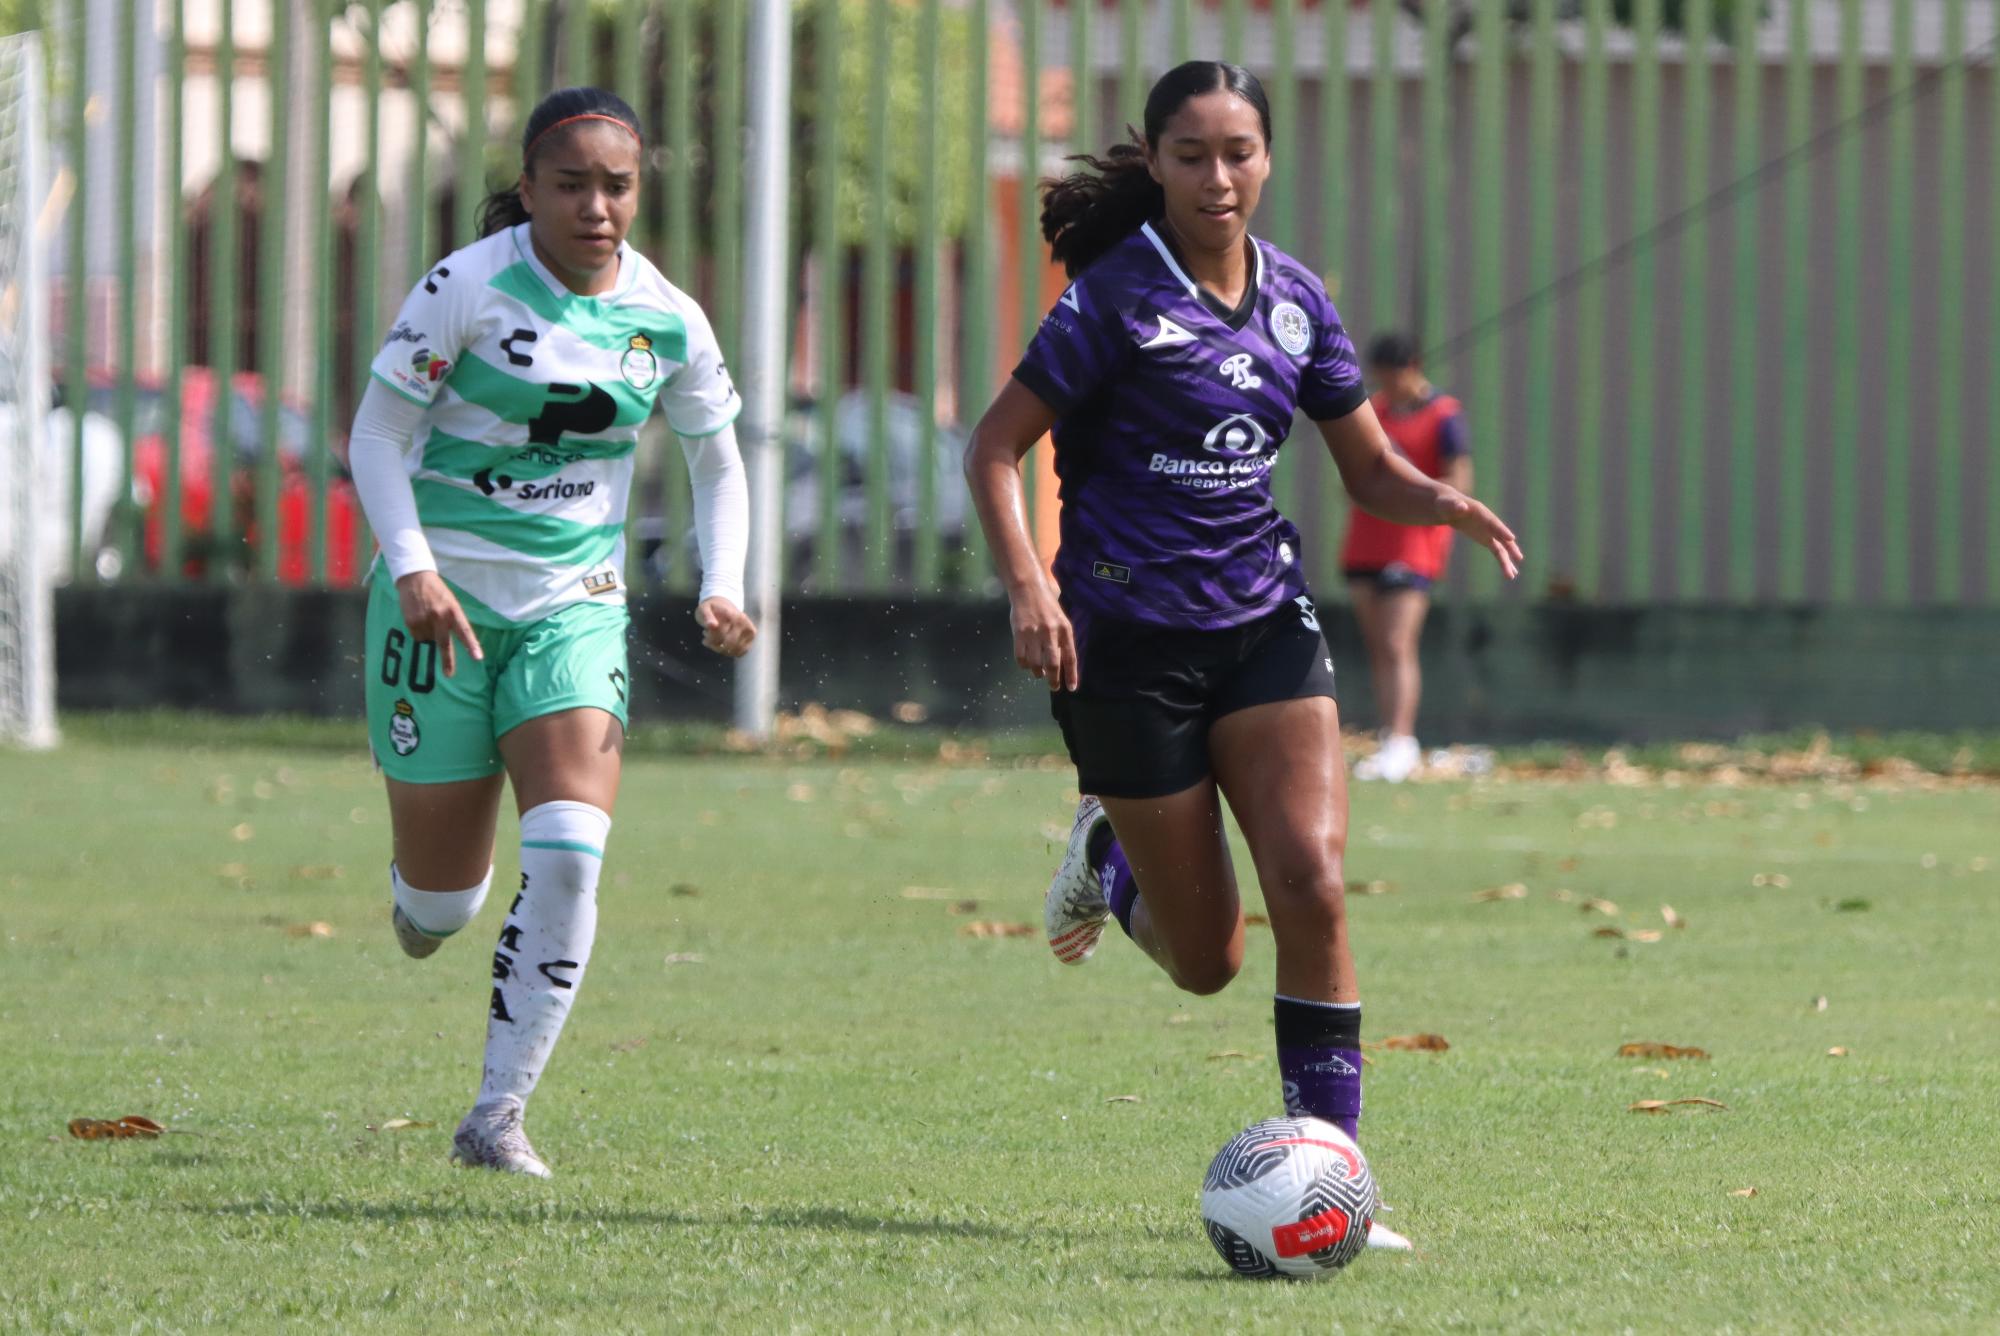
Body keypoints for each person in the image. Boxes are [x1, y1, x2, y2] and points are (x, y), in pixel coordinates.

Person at [962, 61, 1521, 1247]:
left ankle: (1338, 1183)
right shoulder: (1112, 299)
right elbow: (993, 448)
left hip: (1263, 624)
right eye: (1190, 155)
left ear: (1266, 158)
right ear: (1155, 164)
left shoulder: (1296, 300)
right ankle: (1109, 854)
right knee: (1206, 961)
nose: (1218, 177)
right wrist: (1026, 586)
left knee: (1312, 883)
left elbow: (1364, 466)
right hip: (1123, 648)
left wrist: (1440, 501)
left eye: (1238, 152)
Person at [338, 87, 756, 1177]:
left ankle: (496, 1113)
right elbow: (377, 435)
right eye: (570, 184)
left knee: (570, 852)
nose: (596, 206)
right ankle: (418, 897)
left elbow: (716, 460)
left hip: (573, 608)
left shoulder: (666, 316)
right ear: (528, 190)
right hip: (439, 609)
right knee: (441, 904)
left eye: (615, 185)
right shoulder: (464, 287)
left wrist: (723, 582)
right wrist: (418, 569)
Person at [1340, 331, 1473, 783]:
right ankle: (1387, 736)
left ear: (1413, 367)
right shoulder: (1373, 412)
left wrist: (1417, 499)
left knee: (1399, 643)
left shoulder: (1443, 415)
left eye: (1393, 377)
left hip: (1414, 545)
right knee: (1378, 645)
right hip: (1367, 540)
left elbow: (1458, 481)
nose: (1387, 387)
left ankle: (1402, 739)